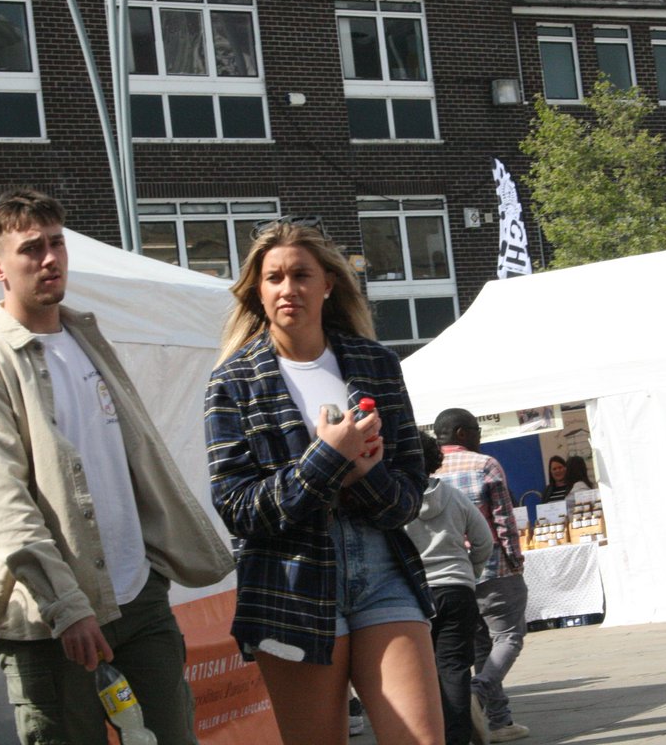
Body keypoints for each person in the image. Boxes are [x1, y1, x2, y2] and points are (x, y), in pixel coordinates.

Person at [0, 189, 233, 744]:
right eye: (31, 249)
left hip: (138, 595)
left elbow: (137, 462)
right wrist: (67, 607)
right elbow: (6, 504)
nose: (50, 258)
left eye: (57, 243)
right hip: (49, 620)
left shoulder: (87, 336)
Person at [204, 222, 443, 745]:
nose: (288, 288)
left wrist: (365, 471)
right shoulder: (233, 382)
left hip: (382, 568)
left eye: (301, 275)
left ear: (328, 284)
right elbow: (237, 508)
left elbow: (407, 496)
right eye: (274, 278)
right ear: (257, 290)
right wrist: (329, 458)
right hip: (288, 581)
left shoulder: (375, 364)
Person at [433, 409, 530, 744]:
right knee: (509, 637)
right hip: (493, 567)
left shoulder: (425, 472)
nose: (479, 435)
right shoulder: (484, 464)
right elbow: (503, 518)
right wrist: (515, 560)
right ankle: (480, 691)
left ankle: (500, 721)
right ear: (461, 433)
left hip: (452, 576)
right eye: (476, 429)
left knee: (478, 646)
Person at [406, 431, 493, 745]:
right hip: (457, 590)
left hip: (413, 596)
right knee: (455, 668)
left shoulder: (397, 502)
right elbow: (484, 542)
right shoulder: (454, 496)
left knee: (419, 673)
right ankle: (457, 739)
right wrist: (469, 573)